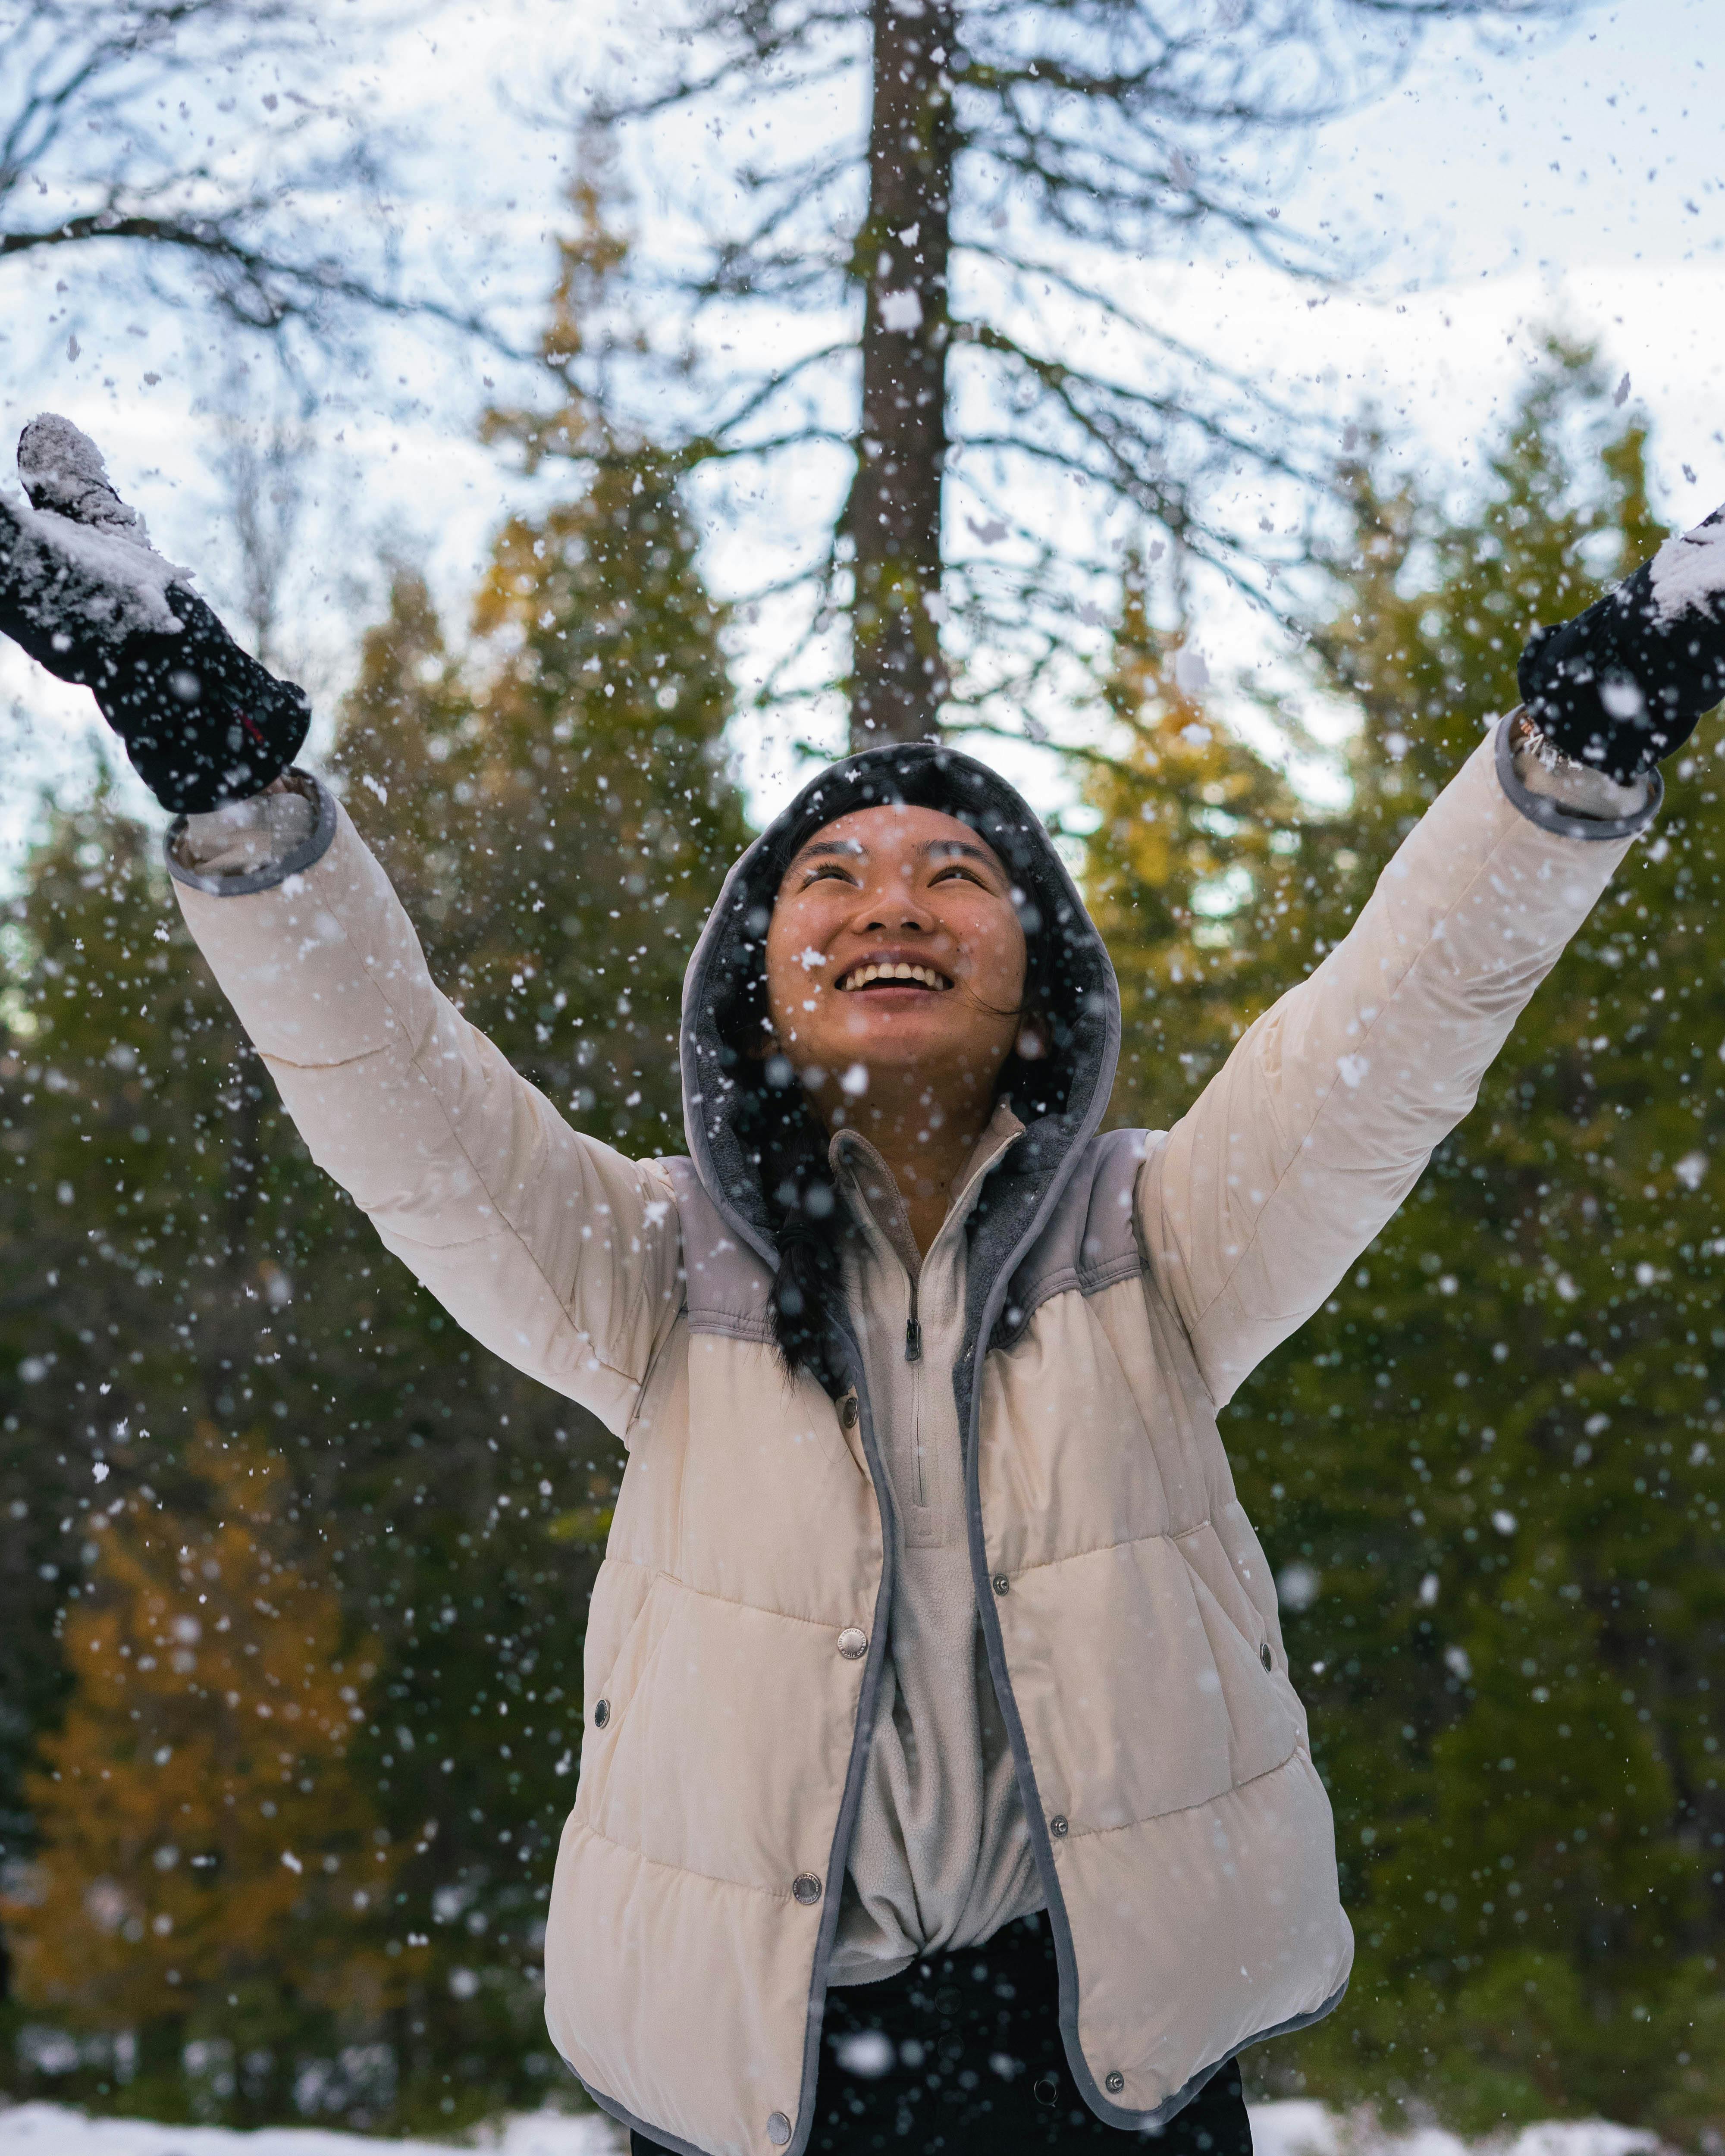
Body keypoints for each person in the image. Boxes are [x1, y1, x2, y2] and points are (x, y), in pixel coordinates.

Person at [3, 416, 1722, 2156]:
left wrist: (1567, 765)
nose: (886, 898)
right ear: (757, 984)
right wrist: (231, 789)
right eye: (827, 875)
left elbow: (1397, 1021)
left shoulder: (1168, 1237)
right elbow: (399, 1091)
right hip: (760, 2086)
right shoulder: (657, 1271)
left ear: (1038, 982)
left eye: (953, 872)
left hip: (1107, 2074)